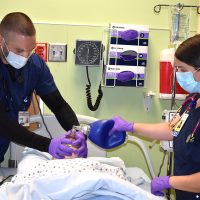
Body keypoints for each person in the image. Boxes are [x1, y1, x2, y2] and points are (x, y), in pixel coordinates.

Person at [108, 34, 200, 200]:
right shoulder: (193, 100)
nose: (177, 74)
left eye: (183, 69)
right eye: (176, 68)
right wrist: (130, 126)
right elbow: (173, 130)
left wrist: (170, 181)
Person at [0, 12, 87, 162]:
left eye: (30, 50)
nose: (25, 57)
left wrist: (76, 130)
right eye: (19, 51)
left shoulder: (35, 66)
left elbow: (59, 106)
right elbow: (3, 123)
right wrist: (49, 145)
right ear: (1, 40)